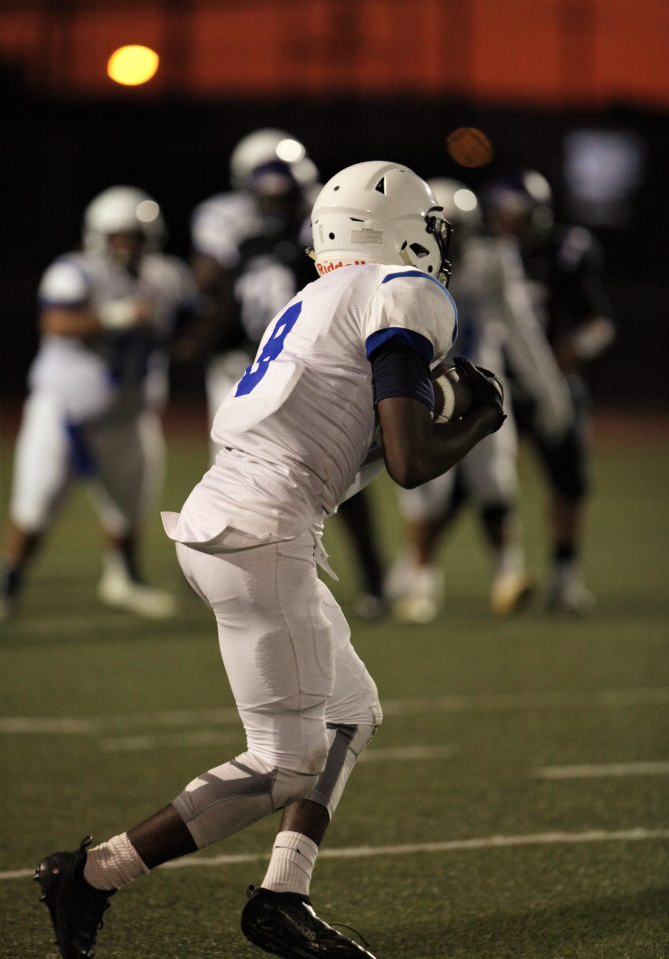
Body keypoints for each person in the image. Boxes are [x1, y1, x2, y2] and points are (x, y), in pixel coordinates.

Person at [35, 160, 507, 959]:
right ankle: (92, 874)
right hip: (265, 530)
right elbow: (407, 460)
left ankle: (282, 897)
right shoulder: (402, 289)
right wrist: (476, 420)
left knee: (349, 713)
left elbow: (352, 419)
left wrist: (440, 400)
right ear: (398, 230)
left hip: (234, 512)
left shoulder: (314, 295)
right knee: (287, 764)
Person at [190, 128, 386, 619]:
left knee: (338, 467)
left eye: (286, 196)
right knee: (241, 475)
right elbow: (217, 296)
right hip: (253, 366)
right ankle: (237, 575)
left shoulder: (319, 235)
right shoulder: (243, 236)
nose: (278, 205)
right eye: (270, 197)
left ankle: (371, 578)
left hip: (313, 368)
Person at [0, 186, 199, 622]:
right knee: (36, 504)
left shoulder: (167, 276)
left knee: (129, 508)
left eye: (135, 236)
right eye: (119, 236)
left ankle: (124, 579)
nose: (127, 245)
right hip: (65, 412)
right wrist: (115, 316)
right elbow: (56, 322)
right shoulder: (75, 271)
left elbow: (191, 322)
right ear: (98, 236)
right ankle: (9, 581)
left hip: (129, 414)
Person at [386, 178, 572, 622]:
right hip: (425, 388)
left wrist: (549, 388)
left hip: (481, 385)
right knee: (426, 491)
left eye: (461, 230)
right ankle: (421, 580)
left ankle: (508, 574)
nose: (455, 241)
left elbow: (521, 328)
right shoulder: (401, 268)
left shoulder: (493, 261)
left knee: (496, 480)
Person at [482, 169, 616, 612]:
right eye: (502, 215)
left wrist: (569, 352)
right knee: (479, 482)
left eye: (515, 215)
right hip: (496, 385)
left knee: (568, 482)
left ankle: (565, 577)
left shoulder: (566, 251)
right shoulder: (483, 256)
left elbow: (601, 322)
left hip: (552, 385)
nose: (508, 224)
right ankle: (503, 573)